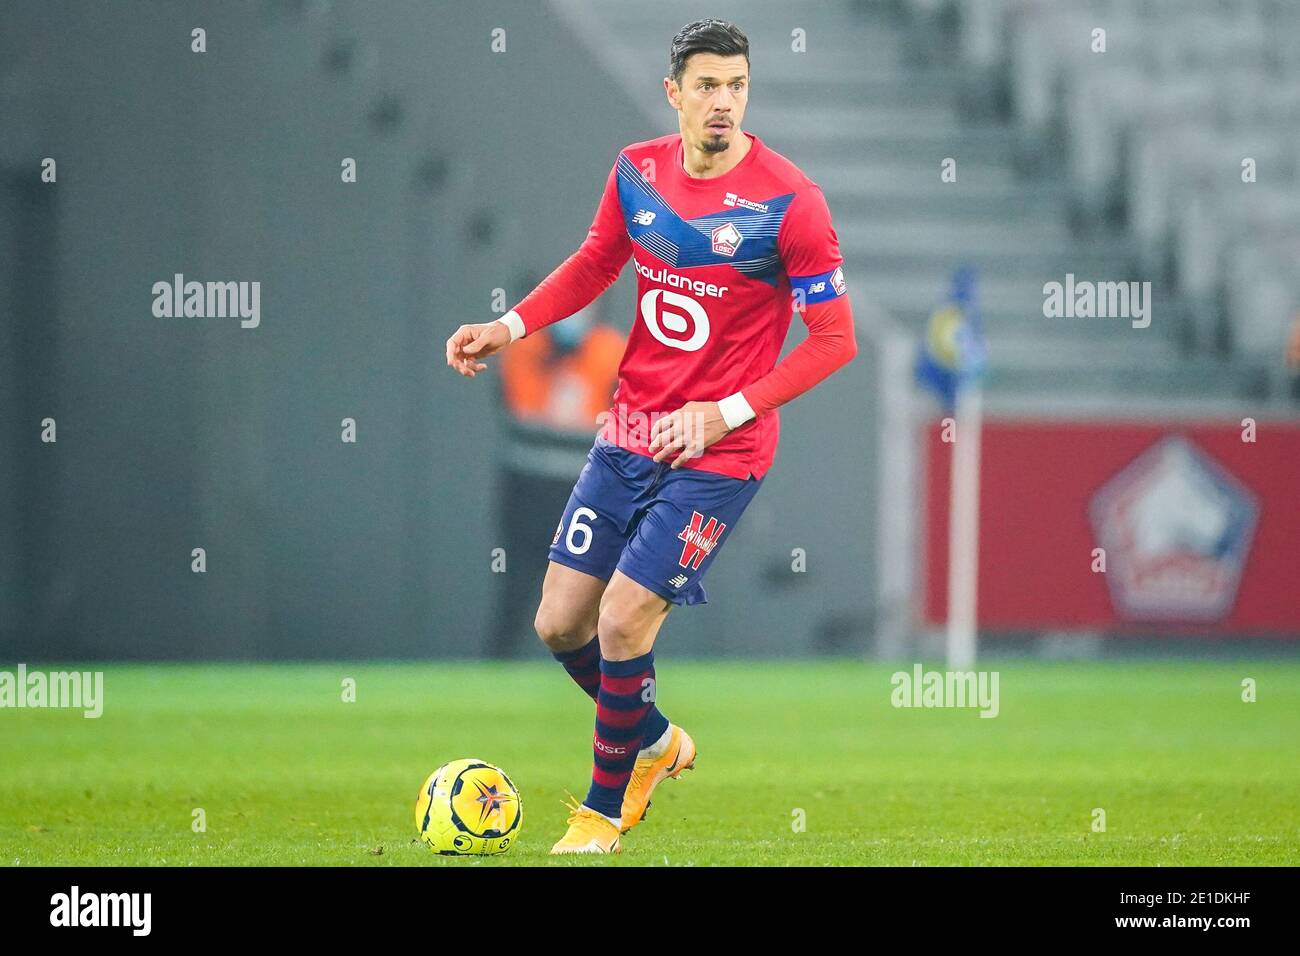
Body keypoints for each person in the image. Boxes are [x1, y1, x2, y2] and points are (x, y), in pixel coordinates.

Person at [444, 18, 858, 854]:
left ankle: (601, 814)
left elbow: (834, 340)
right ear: (674, 93)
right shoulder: (638, 172)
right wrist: (511, 325)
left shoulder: (791, 203)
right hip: (630, 429)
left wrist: (729, 411)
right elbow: (598, 260)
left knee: (625, 620)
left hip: (720, 453)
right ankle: (658, 740)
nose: (724, 102)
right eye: (707, 85)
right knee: (560, 623)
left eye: (737, 85)